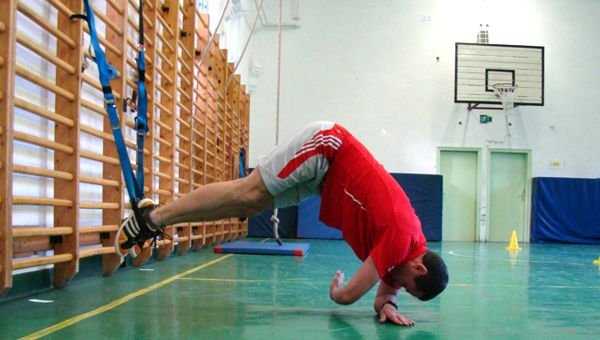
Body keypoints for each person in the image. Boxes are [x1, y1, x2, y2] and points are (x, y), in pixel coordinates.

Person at [116, 121, 448, 326]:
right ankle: (151, 217)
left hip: (324, 179)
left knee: (254, 204)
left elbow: (383, 293)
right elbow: (347, 296)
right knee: (247, 193)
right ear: (419, 268)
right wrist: (337, 292)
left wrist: (388, 305)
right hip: (327, 146)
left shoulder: (407, 251)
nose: (397, 287)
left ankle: (155, 216)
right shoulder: (403, 238)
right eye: (406, 287)